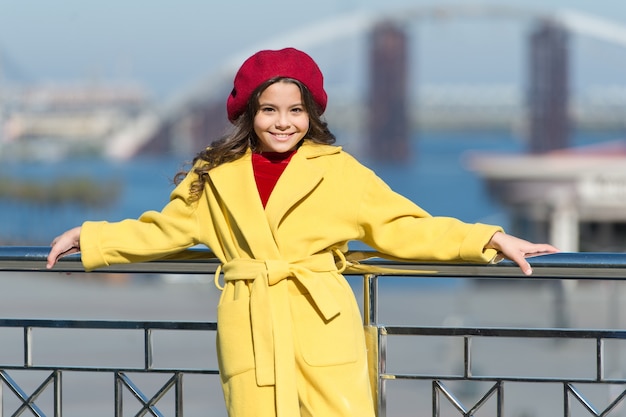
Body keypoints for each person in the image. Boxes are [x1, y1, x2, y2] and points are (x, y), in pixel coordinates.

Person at [46, 47, 559, 417]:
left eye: (295, 110)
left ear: (311, 114)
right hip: (249, 325)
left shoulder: (339, 171)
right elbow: (162, 230)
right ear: (251, 114)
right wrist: (91, 238)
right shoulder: (215, 175)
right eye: (270, 110)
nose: (283, 122)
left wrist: (488, 239)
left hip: (322, 322)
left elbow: (404, 225)